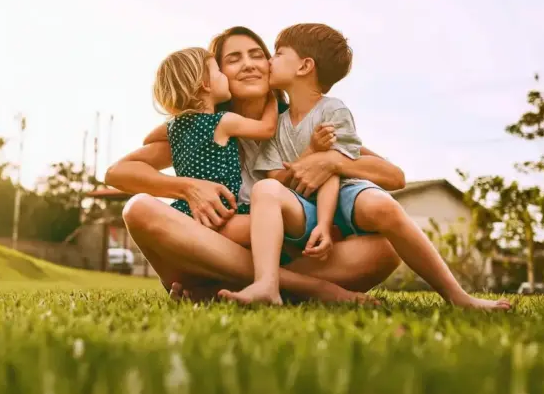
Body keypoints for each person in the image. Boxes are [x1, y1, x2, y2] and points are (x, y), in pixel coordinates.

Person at [105, 26, 405, 304]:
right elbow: (118, 172)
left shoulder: (303, 123)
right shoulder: (205, 128)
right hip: (214, 251)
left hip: (296, 255)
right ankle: (301, 288)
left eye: (258, 55)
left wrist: (331, 160)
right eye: (233, 59)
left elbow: (393, 176)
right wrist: (187, 187)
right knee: (138, 208)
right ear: (213, 76)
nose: (249, 64)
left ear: (271, 66)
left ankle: (234, 287)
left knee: (385, 250)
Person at [220, 23, 510, 310]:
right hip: (298, 213)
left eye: (273, 54)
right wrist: (311, 157)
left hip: (340, 196)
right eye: (234, 58)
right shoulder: (254, 127)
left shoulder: (330, 112)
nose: (267, 62)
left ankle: (457, 296)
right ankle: (271, 284)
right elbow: (280, 179)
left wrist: (328, 165)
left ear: (305, 66)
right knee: (266, 189)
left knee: (382, 208)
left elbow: (368, 173)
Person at [150, 46, 278, 221]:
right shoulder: (223, 122)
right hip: (222, 212)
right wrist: (272, 97)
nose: (224, 76)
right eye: (219, 72)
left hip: (187, 210)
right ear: (206, 84)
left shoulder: (175, 125)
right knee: (273, 225)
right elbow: (267, 129)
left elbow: (148, 139)